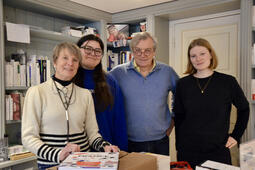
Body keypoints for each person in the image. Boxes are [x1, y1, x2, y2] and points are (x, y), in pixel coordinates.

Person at [22, 42, 119, 170]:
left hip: (84, 162)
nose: (70, 63)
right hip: (51, 164)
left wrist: (105, 146)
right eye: (65, 58)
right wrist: (59, 154)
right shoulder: (36, 92)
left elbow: (92, 133)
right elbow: (28, 137)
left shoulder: (85, 94)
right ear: (55, 61)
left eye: (75, 60)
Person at [173, 38, 250, 168]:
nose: (198, 59)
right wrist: (179, 146)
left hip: (218, 151)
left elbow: (244, 109)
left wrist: (236, 136)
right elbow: (179, 116)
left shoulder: (228, 82)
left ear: (210, 54)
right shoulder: (183, 84)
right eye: (193, 56)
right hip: (188, 152)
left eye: (202, 54)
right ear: (190, 59)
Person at [109, 32, 179, 155]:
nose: (143, 55)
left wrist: (173, 121)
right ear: (132, 51)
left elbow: (181, 97)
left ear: (154, 51)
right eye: (138, 50)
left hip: (160, 141)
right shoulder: (117, 73)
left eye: (148, 50)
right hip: (129, 142)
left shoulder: (167, 72)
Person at [74, 34, 128, 151]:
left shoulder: (110, 81)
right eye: (88, 49)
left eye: (98, 51)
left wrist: (122, 150)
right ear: (77, 50)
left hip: (106, 149)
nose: (93, 54)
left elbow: (119, 119)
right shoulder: (69, 79)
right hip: (76, 150)